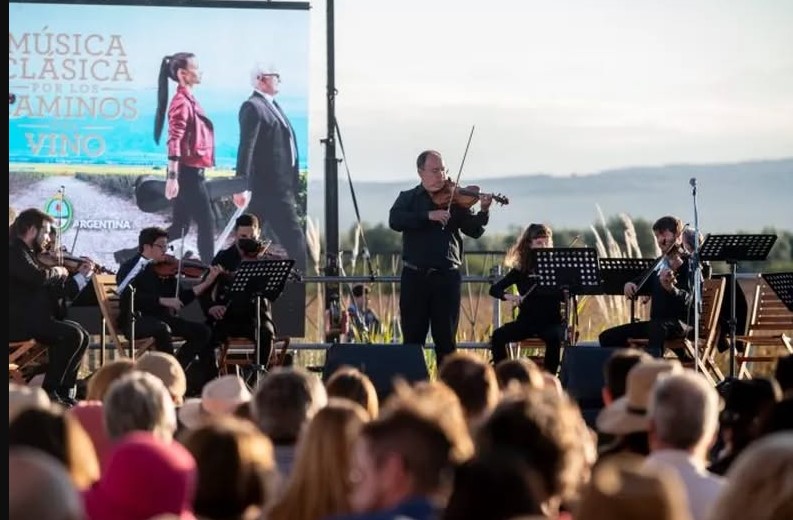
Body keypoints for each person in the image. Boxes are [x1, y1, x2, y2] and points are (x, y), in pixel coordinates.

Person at [389, 150, 493, 367]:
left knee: (446, 341)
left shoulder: (455, 201)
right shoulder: (407, 198)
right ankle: (413, 392)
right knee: (412, 340)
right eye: (435, 170)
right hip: (414, 277)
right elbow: (395, 220)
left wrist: (483, 211)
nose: (441, 175)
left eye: (444, 170)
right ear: (421, 172)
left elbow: (474, 230)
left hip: (446, 277)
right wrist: (428, 216)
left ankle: (448, 393)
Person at [115, 226, 222, 391]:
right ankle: (168, 381)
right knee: (162, 328)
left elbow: (180, 300)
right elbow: (127, 298)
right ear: (147, 247)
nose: (166, 251)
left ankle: (178, 371)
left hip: (163, 319)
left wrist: (207, 283)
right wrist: (161, 300)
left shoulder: (165, 270)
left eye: (167, 247)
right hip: (136, 320)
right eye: (161, 246)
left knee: (203, 331)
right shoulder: (131, 267)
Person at [9, 208, 94, 406]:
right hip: (18, 323)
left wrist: (79, 277)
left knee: (81, 335)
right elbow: (37, 278)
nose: (48, 238)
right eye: (46, 232)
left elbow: (52, 291)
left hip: (33, 320)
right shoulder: (14, 250)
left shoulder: (28, 253)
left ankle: (66, 392)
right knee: (71, 335)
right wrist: (57, 270)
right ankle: (51, 392)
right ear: (31, 230)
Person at [234, 62, 306, 273]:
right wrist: (241, 185)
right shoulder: (253, 107)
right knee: (295, 239)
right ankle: (303, 280)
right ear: (261, 79)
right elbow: (246, 147)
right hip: (270, 189)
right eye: (276, 76)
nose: (280, 80)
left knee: (249, 240)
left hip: (277, 189)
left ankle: (233, 275)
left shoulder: (272, 105)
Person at [599, 215, 697, 358]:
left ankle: (652, 372)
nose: (659, 241)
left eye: (663, 235)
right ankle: (626, 372)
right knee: (607, 337)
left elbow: (690, 302)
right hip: (656, 323)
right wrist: (630, 284)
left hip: (680, 323)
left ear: (677, 235)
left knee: (656, 329)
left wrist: (671, 289)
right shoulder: (660, 262)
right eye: (657, 236)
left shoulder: (689, 264)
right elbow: (640, 280)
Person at [199, 213, 284, 373]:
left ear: (258, 234)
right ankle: (211, 378)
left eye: (252, 236)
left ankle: (253, 381)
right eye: (243, 236)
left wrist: (271, 272)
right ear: (235, 235)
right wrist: (211, 307)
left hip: (255, 316)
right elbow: (204, 287)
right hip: (228, 316)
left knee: (266, 334)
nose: (247, 241)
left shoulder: (266, 258)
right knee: (204, 335)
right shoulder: (224, 257)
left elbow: (272, 295)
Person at [154, 51, 216, 264]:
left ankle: (136, 254)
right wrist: (173, 177)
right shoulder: (181, 101)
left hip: (188, 171)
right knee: (207, 224)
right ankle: (211, 272)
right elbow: (174, 139)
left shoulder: (189, 99)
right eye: (196, 68)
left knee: (180, 227)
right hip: (187, 174)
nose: (200, 72)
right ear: (182, 73)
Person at [488, 223, 565, 374]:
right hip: (526, 321)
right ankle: (505, 376)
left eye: (546, 243)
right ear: (529, 244)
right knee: (498, 336)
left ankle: (550, 378)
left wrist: (565, 289)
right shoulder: (521, 269)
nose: (544, 247)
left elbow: (565, 296)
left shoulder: (556, 268)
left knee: (554, 338)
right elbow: (494, 289)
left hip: (551, 321)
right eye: (539, 243)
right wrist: (509, 296)